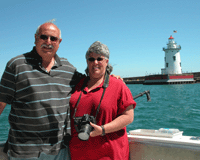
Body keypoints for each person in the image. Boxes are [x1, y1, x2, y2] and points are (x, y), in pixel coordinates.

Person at [0, 22, 83, 159]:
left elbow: (90, 83)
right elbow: (1, 103)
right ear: (35, 38)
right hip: (24, 152)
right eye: (44, 37)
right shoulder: (17, 65)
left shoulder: (68, 69)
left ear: (59, 42)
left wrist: (112, 78)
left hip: (60, 150)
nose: (48, 42)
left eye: (53, 38)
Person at [69, 41, 136, 160]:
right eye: (91, 59)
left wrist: (103, 130)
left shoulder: (118, 85)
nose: (95, 62)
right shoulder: (77, 84)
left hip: (109, 155)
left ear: (106, 61)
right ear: (87, 62)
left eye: (99, 58)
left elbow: (128, 116)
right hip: (78, 154)